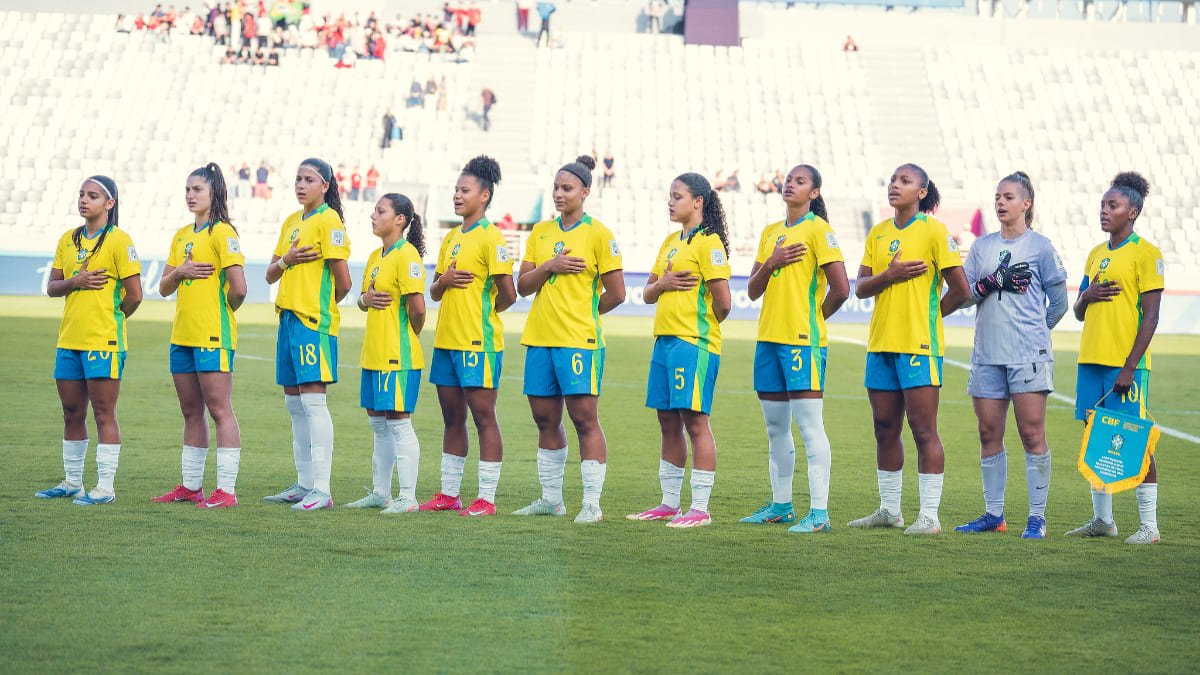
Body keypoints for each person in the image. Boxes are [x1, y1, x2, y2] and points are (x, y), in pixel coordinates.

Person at [848, 163, 969, 535]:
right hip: (881, 342)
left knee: (923, 430)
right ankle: (889, 510)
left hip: (919, 346)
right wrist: (889, 276)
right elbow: (861, 287)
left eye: (904, 181)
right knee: (884, 428)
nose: (894, 185)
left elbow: (961, 290)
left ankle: (929, 516)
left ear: (921, 192)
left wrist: (931, 318)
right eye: (892, 180)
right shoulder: (879, 233)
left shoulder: (935, 232)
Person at [512, 156, 626, 523]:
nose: (559, 194)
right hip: (540, 338)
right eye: (556, 188)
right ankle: (551, 499)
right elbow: (522, 286)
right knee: (544, 418)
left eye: (567, 188)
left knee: (583, 419)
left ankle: (592, 503)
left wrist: (585, 314)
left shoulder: (599, 234)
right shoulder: (541, 233)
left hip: (579, 341)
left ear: (585, 192)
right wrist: (549, 266)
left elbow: (618, 293)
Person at [953, 172, 1067, 539]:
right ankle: (994, 514)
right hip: (987, 354)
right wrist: (990, 283)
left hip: (1027, 356)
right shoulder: (983, 247)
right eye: (997, 196)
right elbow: (966, 293)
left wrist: (1034, 332)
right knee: (989, 432)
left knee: (1031, 433)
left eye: (1008, 197)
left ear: (1026, 203)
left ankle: (1037, 517)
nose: (1000, 202)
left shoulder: (1041, 247)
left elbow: (1059, 303)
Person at [740, 164, 849, 532]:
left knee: (809, 425)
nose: (790, 184)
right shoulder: (771, 233)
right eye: (789, 179)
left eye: (800, 181)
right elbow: (753, 290)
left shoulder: (820, 230)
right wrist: (771, 262)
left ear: (814, 193)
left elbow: (842, 289)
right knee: (775, 428)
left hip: (802, 342)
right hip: (769, 338)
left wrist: (814, 321)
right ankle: (781, 506)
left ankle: (819, 513)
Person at [627, 173, 732, 528]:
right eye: (669, 196)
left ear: (698, 202)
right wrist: (664, 284)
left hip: (693, 344)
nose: (670, 202)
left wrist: (701, 328)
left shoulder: (709, 243)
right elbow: (647, 292)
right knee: (667, 421)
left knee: (695, 422)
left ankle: (699, 507)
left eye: (677, 196)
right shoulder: (672, 241)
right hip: (665, 341)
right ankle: (669, 503)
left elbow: (725, 303)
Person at [1067, 172, 1164, 545]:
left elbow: (1151, 317)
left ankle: (1149, 527)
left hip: (1127, 365)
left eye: (1113, 206)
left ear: (1133, 211)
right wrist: (1084, 297)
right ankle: (1102, 520)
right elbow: (1079, 311)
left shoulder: (1146, 253)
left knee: (1135, 440)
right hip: (1091, 359)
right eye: (1103, 206)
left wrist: (1128, 366)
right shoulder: (1095, 254)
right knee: (1096, 437)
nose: (1104, 212)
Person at [421, 156, 517, 517]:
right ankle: (449, 494)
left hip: (477, 342)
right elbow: (434, 291)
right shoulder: (450, 238)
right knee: (451, 417)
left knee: (483, 417)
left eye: (465, 190)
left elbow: (508, 293)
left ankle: (486, 499)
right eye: (456, 190)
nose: (457, 196)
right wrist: (443, 281)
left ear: (484, 195)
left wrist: (486, 316)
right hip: (446, 341)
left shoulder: (492, 238)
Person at [37, 176, 142, 506]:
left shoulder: (119, 241)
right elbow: (52, 287)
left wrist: (111, 320)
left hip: (103, 342)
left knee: (103, 413)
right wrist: (76, 281)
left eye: (92, 195)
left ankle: (105, 488)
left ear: (109, 204)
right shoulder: (68, 240)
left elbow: (135, 296)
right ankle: (72, 482)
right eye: (81, 194)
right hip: (69, 339)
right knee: (71, 412)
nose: (84, 200)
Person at [152, 163, 248, 509]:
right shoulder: (181, 236)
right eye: (188, 189)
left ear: (214, 194)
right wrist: (180, 272)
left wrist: (220, 314)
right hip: (183, 335)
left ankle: (226, 490)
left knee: (220, 409)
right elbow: (163, 287)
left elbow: (239, 289)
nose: (190, 195)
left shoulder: (222, 234)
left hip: (211, 336)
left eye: (198, 190)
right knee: (191, 411)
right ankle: (191, 486)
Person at [262, 158, 352, 511]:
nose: (300, 184)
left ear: (325, 186)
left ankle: (322, 489)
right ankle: (303, 483)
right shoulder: (290, 222)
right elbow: (270, 274)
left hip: (313, 323)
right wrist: (288, 261)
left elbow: (343, 283)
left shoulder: (329, 221)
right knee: (294, 404)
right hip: (287, 320)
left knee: (314, 403)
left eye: (308, 179)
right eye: (297, 178)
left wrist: (320, 307)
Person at [345, 194, 428, 514]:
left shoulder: (407, 256)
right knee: (378, 425)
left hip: (398, 355)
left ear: (400, 220)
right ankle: (381, 492)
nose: (373, 215)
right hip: (374, 354)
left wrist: (405, 338)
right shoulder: (375, 256)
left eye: (380, 211)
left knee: (398, 423)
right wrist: (366, 299)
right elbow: (363, 298)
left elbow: (418, 310)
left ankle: (408, 497)